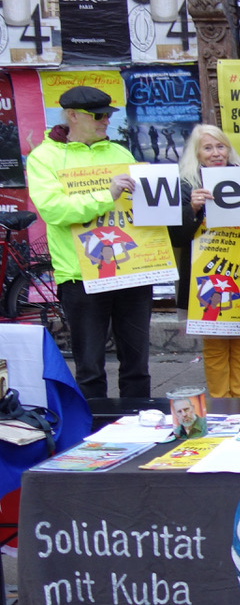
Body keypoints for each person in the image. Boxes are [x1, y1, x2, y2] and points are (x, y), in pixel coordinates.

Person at [26, 86, 151, 399]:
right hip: (81, 276)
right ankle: (93, 433)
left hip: (132, 270)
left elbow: (145, 209)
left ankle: (142, 423)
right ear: (72, 116)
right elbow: (53, 210)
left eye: (109, 114)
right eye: (98, 115)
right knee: (90, 367)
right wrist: (105, 196)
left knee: (137, 364)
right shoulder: (44, 157)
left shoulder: (119, 153)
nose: (106, 120)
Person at [172, 125, 240, 398]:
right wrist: (192, 208)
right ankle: (220, 405)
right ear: (196, 153)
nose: (216, 153)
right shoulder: (186, 184)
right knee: (215, 344)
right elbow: (175, 237)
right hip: (204, 276)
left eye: (221, 146)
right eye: (208, 148)